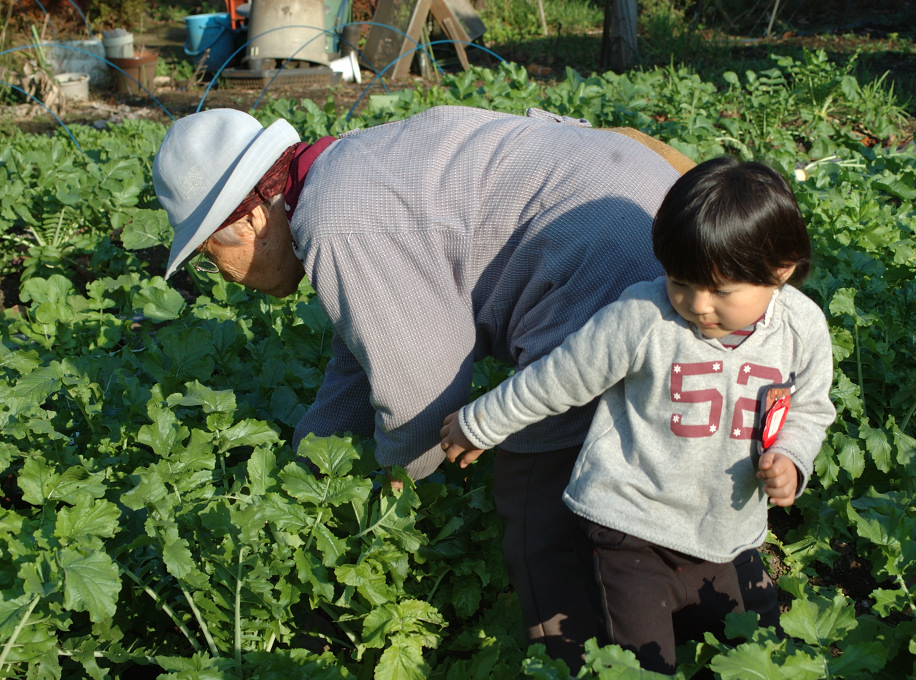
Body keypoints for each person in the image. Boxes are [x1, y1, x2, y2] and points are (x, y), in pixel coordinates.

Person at [151, 104, 694, 670]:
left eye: (212, 259)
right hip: (664, 216)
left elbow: (423, 392)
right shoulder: (345, 171)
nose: (225, 279)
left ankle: (587, 663)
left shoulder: (336, 223)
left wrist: (392, 483)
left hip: (612, 265)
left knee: (540, 510)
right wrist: (304, 469)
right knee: (668, 461)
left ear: (249, 221)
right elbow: (363, 357)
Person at [440, 156, 837, 673]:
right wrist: (480, 423)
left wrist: (791, 457)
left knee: (761, 653)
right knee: (643, 666)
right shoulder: (643, 316)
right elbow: (557, 378)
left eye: (721, 291)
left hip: (725, 533)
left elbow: (809, 407)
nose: (698, 304)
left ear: (780, 270)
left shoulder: (801, 328)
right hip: (629, 529)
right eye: (680, 280)